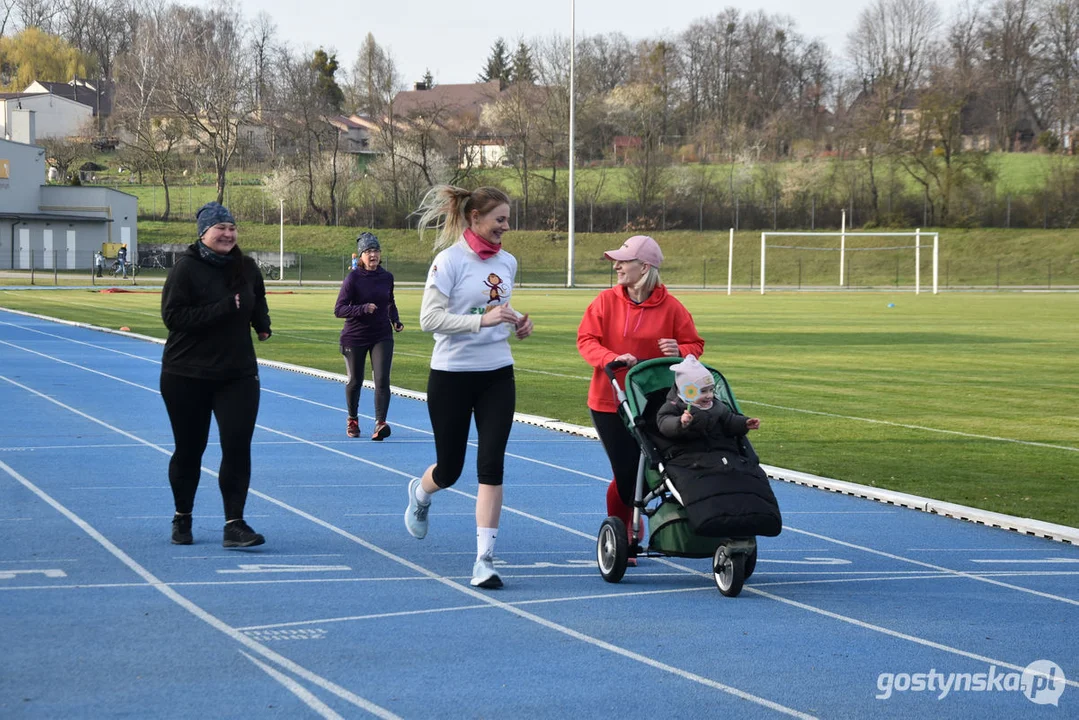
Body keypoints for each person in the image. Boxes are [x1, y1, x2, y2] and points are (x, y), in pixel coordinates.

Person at [404, 185, 533, 589]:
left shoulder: (508, 262)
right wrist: (482, 321)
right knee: (451, 468)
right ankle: (421, 493)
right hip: (451, 376)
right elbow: (429, 320)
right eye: (499, 219)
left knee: (491, 465)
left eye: (508, 220)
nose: (505, 227)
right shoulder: (448, 261)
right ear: (474, 218)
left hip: (497, 374)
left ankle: (484, 560)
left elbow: (498, 311)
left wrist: (519, 324)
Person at [577, 234, 704, 564]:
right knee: (626, 473)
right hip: (609, 401)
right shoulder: (605, 302)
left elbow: (695, 344)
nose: (616, 265)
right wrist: (611, 358)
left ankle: (646, 518)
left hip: (655, 403)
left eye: (623, 260)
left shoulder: (672, 307)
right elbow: (586, 339)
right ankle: (623, 531)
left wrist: (682, 351)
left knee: (651, 471)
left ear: (644, 267)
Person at [160, 201, 272, 548]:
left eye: (232, 227)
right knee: (190, 449)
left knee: (237, 446)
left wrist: (261, 324)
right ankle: (182, 516)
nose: (228, 233)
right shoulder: (186, 269)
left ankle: (234, 524)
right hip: (186, 373)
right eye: (220, 228)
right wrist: (225, 308)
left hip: (237, 374)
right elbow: (174, 318)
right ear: (203, 233)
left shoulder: (248, 267)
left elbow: (257, 299)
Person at [334, 232, 404, 440]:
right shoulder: (353, 278)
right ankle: (353, 419)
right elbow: (339, 309)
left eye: (376, 251)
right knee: (355, 380)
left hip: (381, 334)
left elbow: (389, 301)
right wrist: (363, 308)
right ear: (361, 256)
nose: (373, 255)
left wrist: (395, 320)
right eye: (368, 251)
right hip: (354, 336)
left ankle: (380, 423)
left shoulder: (387, 277)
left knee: (382, 379)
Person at [655, 354, 760, 442]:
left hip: (717, 450)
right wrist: (681, 422)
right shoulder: (674, 406)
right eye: (703, 391)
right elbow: (664, 422)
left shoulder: (716, 405)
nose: (709, 395)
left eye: (711, 390)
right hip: (688, 452)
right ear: (686, 391)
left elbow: (728, 420)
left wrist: (744, 423)